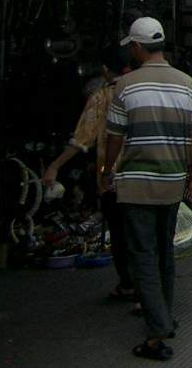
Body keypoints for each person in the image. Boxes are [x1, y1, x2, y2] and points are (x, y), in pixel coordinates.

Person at [103, 17, 192, 362]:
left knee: (143, 255)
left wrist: (106, 171)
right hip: (171, 182)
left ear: (136, 47)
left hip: (136, 184)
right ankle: (165, 314)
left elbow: (114, 138)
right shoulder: (186, 84)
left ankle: (156, 332)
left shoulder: (125, 86)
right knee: (164, 252)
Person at [43, 46, 136, 303]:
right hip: (143, 174)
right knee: (140, 234)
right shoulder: (139, 91)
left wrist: (55, 165)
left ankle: (129, 285)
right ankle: (145, 289)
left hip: (112, 178)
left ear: (105, 70)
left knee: (119, 233)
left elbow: (82, 139)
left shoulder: (102, 96)